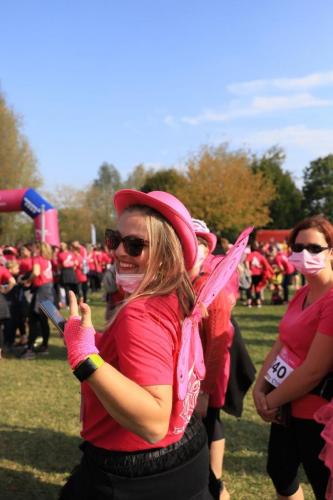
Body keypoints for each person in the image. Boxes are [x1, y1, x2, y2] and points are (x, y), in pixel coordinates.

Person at [59, 189, 213, 500]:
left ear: (167, 254)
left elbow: (153, 421)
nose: (117, 252)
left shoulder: (139, 312)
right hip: (184, 450)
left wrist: (85, 357)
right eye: (114, 239)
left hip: (135, 470)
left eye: (134, 245)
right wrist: (103, 344)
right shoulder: (178, 296)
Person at [252, 215, 333, 500]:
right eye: (297, 248)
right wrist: (260, 388)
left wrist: (269, 402)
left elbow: (314, 369)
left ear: (331, 251)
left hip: (319, 416)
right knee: (281, 473)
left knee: (324, 486)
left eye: (314, 248)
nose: (304, 255)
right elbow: (282, 342)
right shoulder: (302, 294)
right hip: (286, 408)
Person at [191, 218, 234, 500]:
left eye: (198, 241)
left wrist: (205, 391)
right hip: (189, 375)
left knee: (210, 423)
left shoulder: (210, 288)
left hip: (208, 375)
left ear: (207, 248)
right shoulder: (183, 281)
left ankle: (216, 485)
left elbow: (217, 345)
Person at [20, 241, 54, 359]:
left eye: (33, 246)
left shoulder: (38, 258)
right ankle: (44, 346)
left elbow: (36, 272)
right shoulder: (47, 259)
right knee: (43, 319)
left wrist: (27, 280)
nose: (32, 248)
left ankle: (30, 349)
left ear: (38, 248)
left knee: (33, 319)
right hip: (48, 289)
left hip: (41, 290)